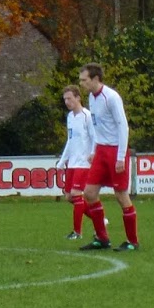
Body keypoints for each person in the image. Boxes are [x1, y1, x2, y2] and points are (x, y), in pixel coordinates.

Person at [78, 64, 139, 251]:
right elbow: (98, 127)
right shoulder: (91, 97)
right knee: (89, 193)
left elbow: (123, 127)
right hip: (102, 151)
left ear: (96, 79)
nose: (81, 83)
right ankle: (102, 238)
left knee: (121, 195)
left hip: (115, 151)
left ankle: (132, 241)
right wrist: (95, 150)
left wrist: (121, 157)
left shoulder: (111, 97)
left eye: (84, 80)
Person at [55, 85, 95, 239]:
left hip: (84, 163)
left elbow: (95, 138)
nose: (67, 102)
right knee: (69, 197)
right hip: (72, 162)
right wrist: (62, 162)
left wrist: (93, 153)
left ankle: (77, 232)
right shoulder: (70, 117)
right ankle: (99, 219)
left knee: (76, 194)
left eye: (69, 98)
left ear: (78, 97)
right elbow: (70, 141)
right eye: (65, 99)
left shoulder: (88, 116)